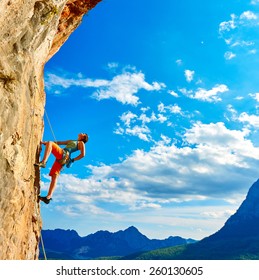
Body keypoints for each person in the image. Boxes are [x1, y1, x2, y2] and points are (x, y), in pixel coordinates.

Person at [35, 133, 88, 204]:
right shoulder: (71, 141)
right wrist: (45, 143)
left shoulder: (81, 142)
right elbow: (59, 142)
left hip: (64, 155)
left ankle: (43, 162)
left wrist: (73, 160)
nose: (81, 133)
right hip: (63, 158)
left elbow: (83, 154)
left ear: (83, 137)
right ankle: (48, 197)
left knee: (50, 143)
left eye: (83, 133)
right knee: (54, 176)